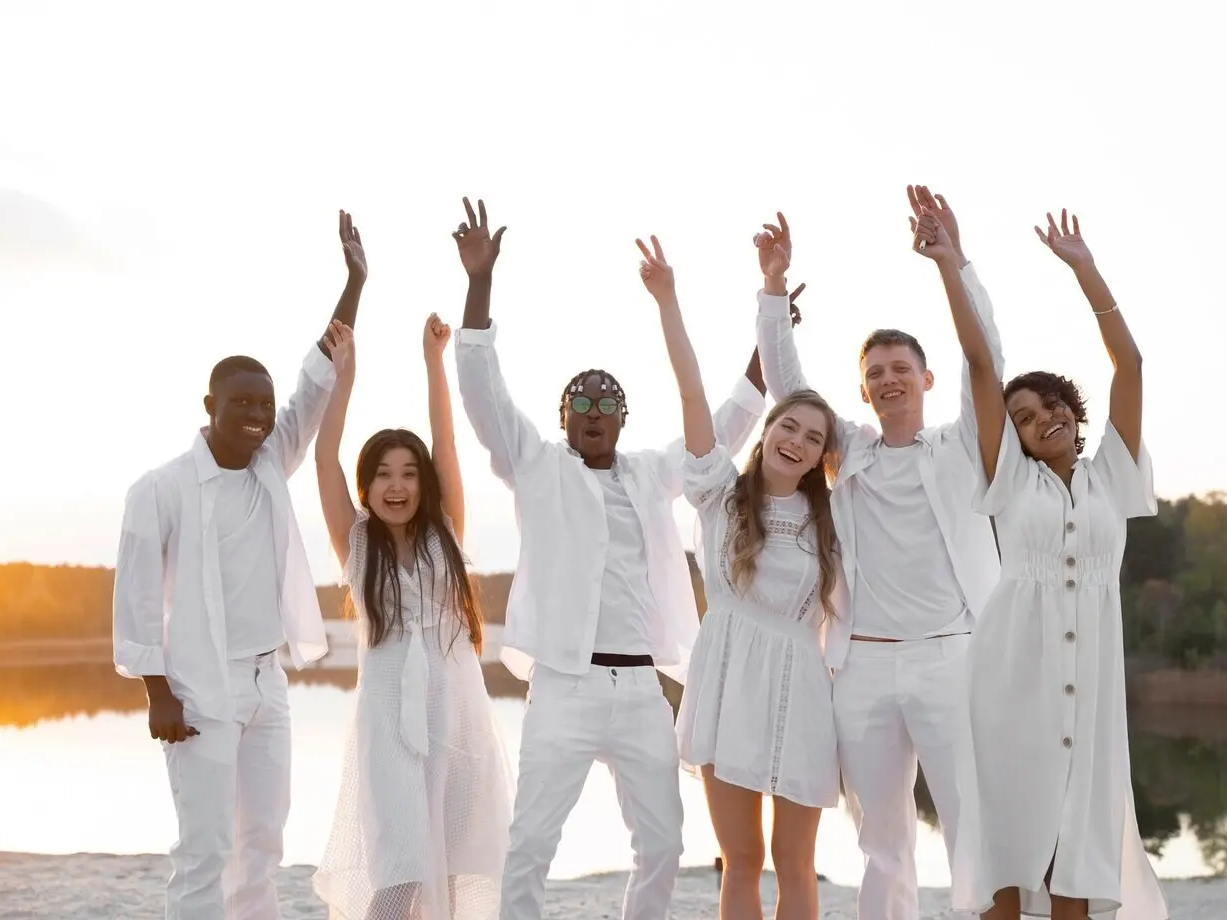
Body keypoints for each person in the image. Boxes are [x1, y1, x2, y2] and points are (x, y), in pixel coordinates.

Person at [450, 197, 768, 920]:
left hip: (642, 692)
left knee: (661, 846)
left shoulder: (654, 474)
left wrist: (765, 347)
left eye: (607, 406)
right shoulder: (536, 466)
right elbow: (482, 392)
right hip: (563, 686)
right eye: (581, 407)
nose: (594, 415)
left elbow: (723, 429)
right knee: (530, 842)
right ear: (564, 419)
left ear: (623, 418)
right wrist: (479, 284)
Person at [753, 190, 1005, 920]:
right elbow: (788, 391)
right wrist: (773, 292)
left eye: (902, 367)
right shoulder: (848, 453)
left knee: (971, 824)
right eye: (876, 372)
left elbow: (984, 357)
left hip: (951, 657)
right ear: (864, 388)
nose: (890, 378)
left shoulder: (961, 448)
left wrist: (952, 264)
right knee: (882, 840)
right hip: (860, 664)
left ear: (925, 380)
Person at [912, 207, 1168, 920]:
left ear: (1074, 411)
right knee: (1006, 850)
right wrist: (950, 265)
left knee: (1074, 855)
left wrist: (1086, 271)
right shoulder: (1009, 479)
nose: (1043, 417)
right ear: (1013, 436)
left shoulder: (1113, 474)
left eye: (1053, 404)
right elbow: (981, 364)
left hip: (1090, 689)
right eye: (1024, 415)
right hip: (1009, 682)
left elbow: (1132, 364)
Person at [111, 210, 368, 920]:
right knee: (204, 849)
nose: (257, 415)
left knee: (262, 842)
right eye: (241, 404)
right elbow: (134, 603)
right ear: (210, 407)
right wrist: (156, 693)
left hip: (267, 681)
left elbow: (316, 379)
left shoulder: (269, 465)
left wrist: (354, 282)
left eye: (263, 404)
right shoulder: (159, 489)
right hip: (197, 686)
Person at [636, 234, 844, 920]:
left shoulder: (833, 520)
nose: (798, 441)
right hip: (725, 682)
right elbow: (692, 387)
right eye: (790, 424)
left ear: (821, 457)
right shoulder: (719, 494)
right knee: (741, 865)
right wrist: (668, 300)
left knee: (797, 867)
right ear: (769, 426)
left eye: (814, 438)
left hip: (800, 691)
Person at [310, 314, 513, 920]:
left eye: (407, 474)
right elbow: (325, 456)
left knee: (449, 866)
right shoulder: (357, 543)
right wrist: (343, 376)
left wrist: (434, 362)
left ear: (422, 483)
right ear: (366, 485)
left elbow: (445, 444)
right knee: (398, 869)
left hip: (456, 707)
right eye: (381, 474)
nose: (395, 486)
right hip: (388, 717)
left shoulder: (446, 532)